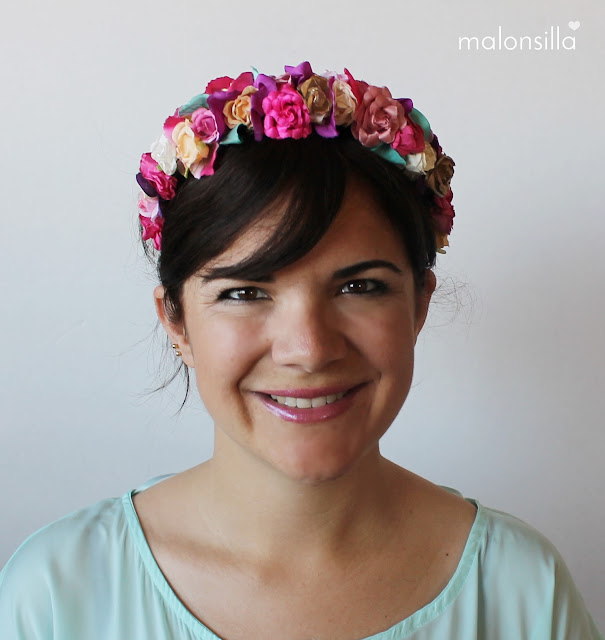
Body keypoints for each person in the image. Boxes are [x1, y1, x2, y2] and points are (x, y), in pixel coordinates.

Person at [0, 62, 601, 639]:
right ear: (175, 322)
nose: (308, 350)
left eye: (359, 286)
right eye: (245, 292)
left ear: (418, 305)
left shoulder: (524, 590)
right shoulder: (56, 593)